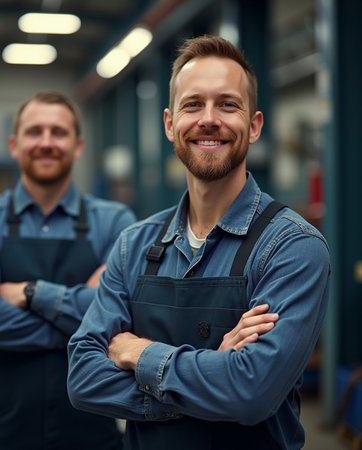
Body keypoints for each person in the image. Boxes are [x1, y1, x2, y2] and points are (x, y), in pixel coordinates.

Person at [67, 35, 330, 450]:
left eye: (228, 104)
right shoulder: (132, 246)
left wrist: (140, 353)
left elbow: (251, 394)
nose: (209, 119)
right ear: (171, 124)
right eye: (193, 104)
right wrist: (215, 373)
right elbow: (83, 378)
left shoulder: (292, 247)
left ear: (255, 125)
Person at [0, 91, 137, 450]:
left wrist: (31, 294)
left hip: (90, 428)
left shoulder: (116, 222)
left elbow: (122, 318)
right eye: (35, 131)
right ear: (14, 144)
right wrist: (85, 322)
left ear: (78, 145)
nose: (46, 142)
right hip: (1, 428)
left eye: (59, 132)